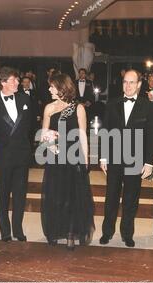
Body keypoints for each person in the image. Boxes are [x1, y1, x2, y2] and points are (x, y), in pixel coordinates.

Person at [99, 70, 153, 247]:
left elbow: (152, 136)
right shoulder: (111, 104)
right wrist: (103, 156)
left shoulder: (148, 106)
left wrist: (149, 162)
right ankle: (107, 232)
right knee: (111, 197)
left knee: (131, 199)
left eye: (132, 82)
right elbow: (105, 131)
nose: (128, 86)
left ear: (139, 84)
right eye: (125, 82)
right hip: (115, 156)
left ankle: (127, 234)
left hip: (136, 158)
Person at [40, 73, 95, 250]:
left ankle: (71, 233)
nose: (49, 89)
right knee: (56, 196)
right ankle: (56, 230)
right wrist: (51, 146)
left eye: (52, 86)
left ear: (62, 87)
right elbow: (43, 136)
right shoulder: (49, 108)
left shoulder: (78, 108)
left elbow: (82, 136)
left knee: (73, 197)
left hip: (74, 157)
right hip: (55, 157)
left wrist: (86, 158)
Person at [0, 67, 33, 242]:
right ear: (3, 82)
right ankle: (5, 230)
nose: (18, 82)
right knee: (3, 193)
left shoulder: (25, 98)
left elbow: (30, 125)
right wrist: (1, 143)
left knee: (20, 194)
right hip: (3, 155)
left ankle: (18, 229)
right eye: (14, 80)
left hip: (22, 154)